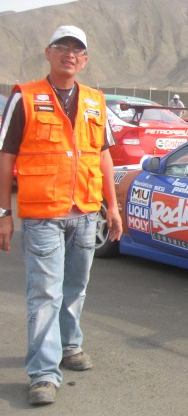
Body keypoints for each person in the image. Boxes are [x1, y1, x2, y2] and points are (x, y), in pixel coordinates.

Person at [0, 25, 123, 406]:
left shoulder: (95, 101)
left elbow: (103, 155)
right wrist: (4, 212)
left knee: (75, 288)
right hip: (42, 216)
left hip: (85, 213)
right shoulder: (25, 97)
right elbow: (6, 156)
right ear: (48, 52)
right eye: (62, 47)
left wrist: (112, 206)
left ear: (84, 60)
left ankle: (70, 345)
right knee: (45, 294)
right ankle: (43, 373)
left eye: (77, 50)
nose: (70, 54)